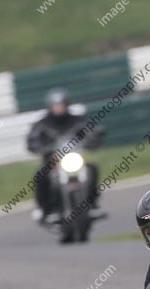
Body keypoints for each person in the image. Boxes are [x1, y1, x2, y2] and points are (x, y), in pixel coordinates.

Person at [27, 88, 105, 223]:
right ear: (50, 106)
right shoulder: (42, 124)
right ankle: (46, 209)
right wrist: (40, 147)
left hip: (75, 157)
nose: (58, 108)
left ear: (67, 104)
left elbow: (91, 132)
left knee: (92, 169)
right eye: (55, 105)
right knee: (41, 176)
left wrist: (94, 140)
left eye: (61, 105)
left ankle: (92, 204)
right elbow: (32, 140)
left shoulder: (78, 120)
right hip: (53, 162)